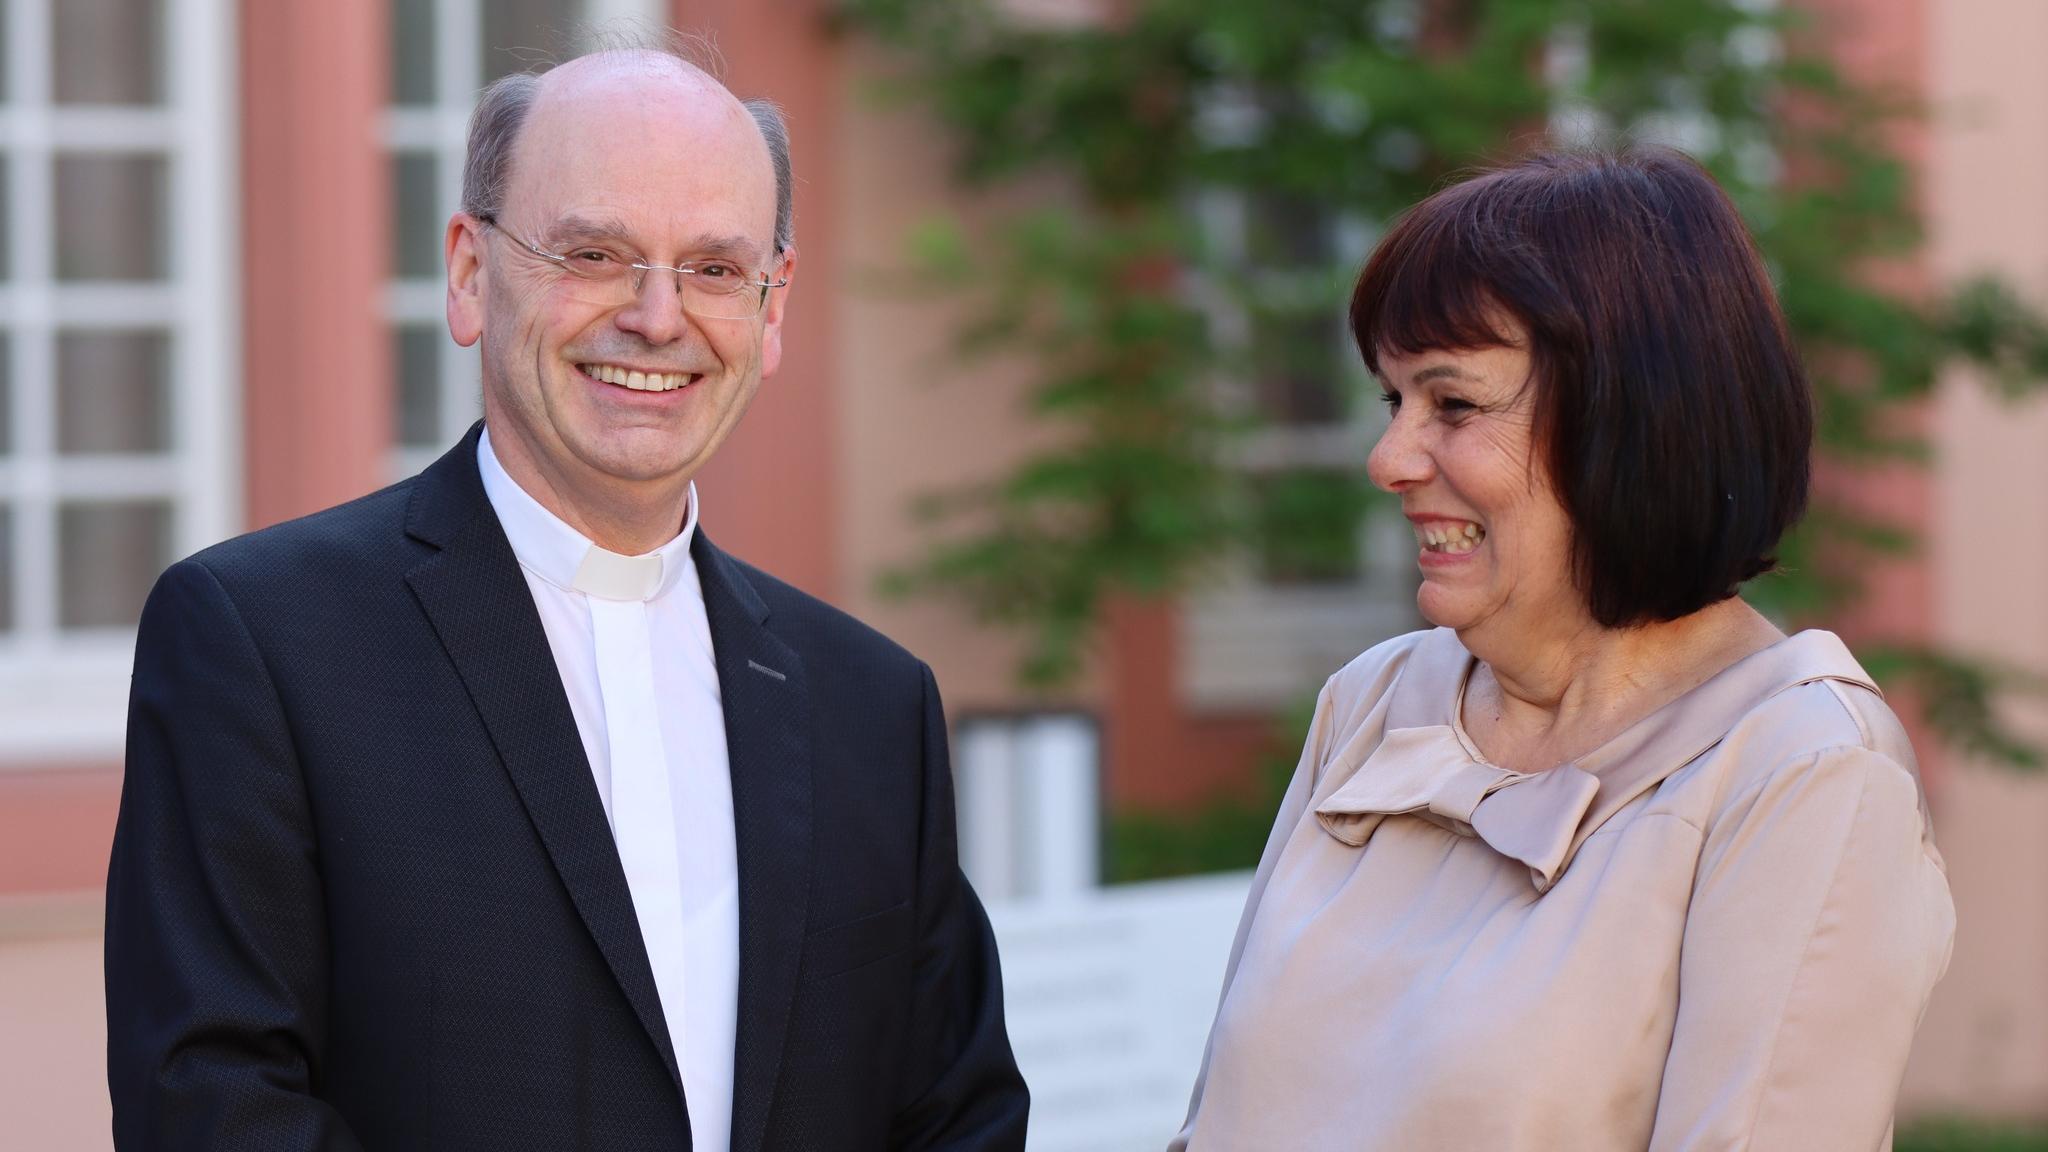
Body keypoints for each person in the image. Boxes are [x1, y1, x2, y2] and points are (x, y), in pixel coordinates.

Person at [105, 42, 1027, 1152]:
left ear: (772, 310)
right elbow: (210, 1108)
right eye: (594, 252)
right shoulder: (262, 643)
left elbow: (956, 1121)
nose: (655, 316)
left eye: (715, 269)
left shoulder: (872, 705)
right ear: (467, 271)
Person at [1170, 147, 1954, 1150]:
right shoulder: (1373, 703)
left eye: (1451, 404)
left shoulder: (1801, 771)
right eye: (1391, 401)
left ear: (1627, 422)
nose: (1388, 458)